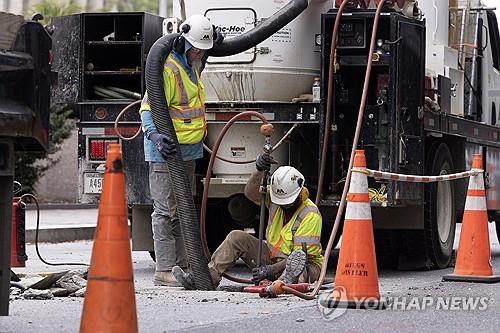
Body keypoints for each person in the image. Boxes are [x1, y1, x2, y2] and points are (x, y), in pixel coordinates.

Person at [173, 155, 324, 289]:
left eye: (288, 202)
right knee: (236, 237)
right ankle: (205, 280)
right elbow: (250, 193)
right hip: (273, 257)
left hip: (305, 265)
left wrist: (271, 270)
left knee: (299, 270)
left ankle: (286, 283)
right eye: (282, 202)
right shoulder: (277, 200)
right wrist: (259, 170)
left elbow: (300, 256)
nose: (284, 205)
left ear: (300, 193)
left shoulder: (310, 214)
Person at [139, 14, 213, 286]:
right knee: (165, 211)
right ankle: (164, 269)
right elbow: (147, 108)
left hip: (189, 150)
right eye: (196, 48)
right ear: (182, 42)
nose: (200, 53)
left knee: (184, 211)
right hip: (166, 151)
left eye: (204, 50)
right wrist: (155, 136)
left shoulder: (194, 63)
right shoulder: (168, 69)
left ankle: (183, 266)